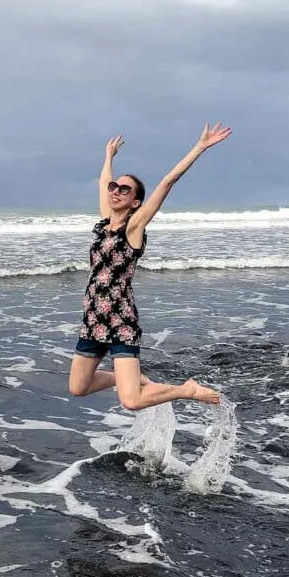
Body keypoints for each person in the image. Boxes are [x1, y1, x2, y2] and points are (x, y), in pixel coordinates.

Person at [68, 123, 232, 410]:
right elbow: (102, 181)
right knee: (78, 387)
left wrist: (200, 147)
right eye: (114, 187)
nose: (115, 191)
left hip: (121, 321)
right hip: (93, 319)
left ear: (136, 202)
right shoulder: (106, 223)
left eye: (124, 189)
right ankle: (127, 377)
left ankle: (187, 390)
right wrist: (109, 156)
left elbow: (167, 182)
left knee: (131, 402)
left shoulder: (134, 228)